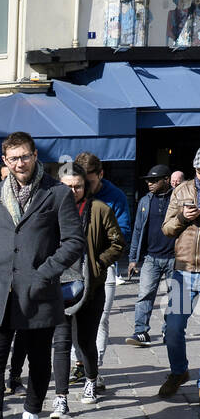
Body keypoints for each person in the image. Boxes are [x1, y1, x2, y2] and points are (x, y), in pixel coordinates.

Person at [0, 132, 86, 419]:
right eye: (13, 158)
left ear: (35, 156)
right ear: (4, 161)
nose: (20, 163)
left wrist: (46, 273)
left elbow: (74, 241)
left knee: (38, 358)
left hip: (39, 291)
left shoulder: (57, 194)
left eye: (25, 156)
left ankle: (31, 413)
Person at [50, 164, 124, 419]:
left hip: (90, 287)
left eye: (78, 186)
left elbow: (118, 243)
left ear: (86, 186)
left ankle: (91, 379)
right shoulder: (50, 211)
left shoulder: (99, 209)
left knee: (85, 341)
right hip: (58, 286)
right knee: (60, 343)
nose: (72, 191)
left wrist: (98, 264)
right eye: (67, 186)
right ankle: (60, 398)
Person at [73, 151, 131, 385]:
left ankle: (94, 371)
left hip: (102, 268)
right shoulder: (69, 195)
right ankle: (80, 365)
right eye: (80, 182)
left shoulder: (114, 196)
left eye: (89, 182)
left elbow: (123, 233)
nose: (83, 187)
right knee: (73, 320)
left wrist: (99, 260)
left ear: (100, 174)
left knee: (100, 319)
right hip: (73, 269)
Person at [158, 147, 200, 398]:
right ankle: (179, 371)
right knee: (173, 329)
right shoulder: (181, 190)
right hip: (184, 270)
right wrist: (183, 218)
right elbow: (167, 228)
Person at [126, 166, 173, 346]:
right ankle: (141, 332)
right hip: (151, 258)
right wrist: (132, 259)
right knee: (144, 295)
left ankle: (170, 332)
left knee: (175, 298)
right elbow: (137, 230)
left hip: (175, 258)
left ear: (166, 180)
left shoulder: (178, 198)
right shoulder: (145, 201)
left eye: (154, 180)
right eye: (148, 180)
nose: (149, 183)